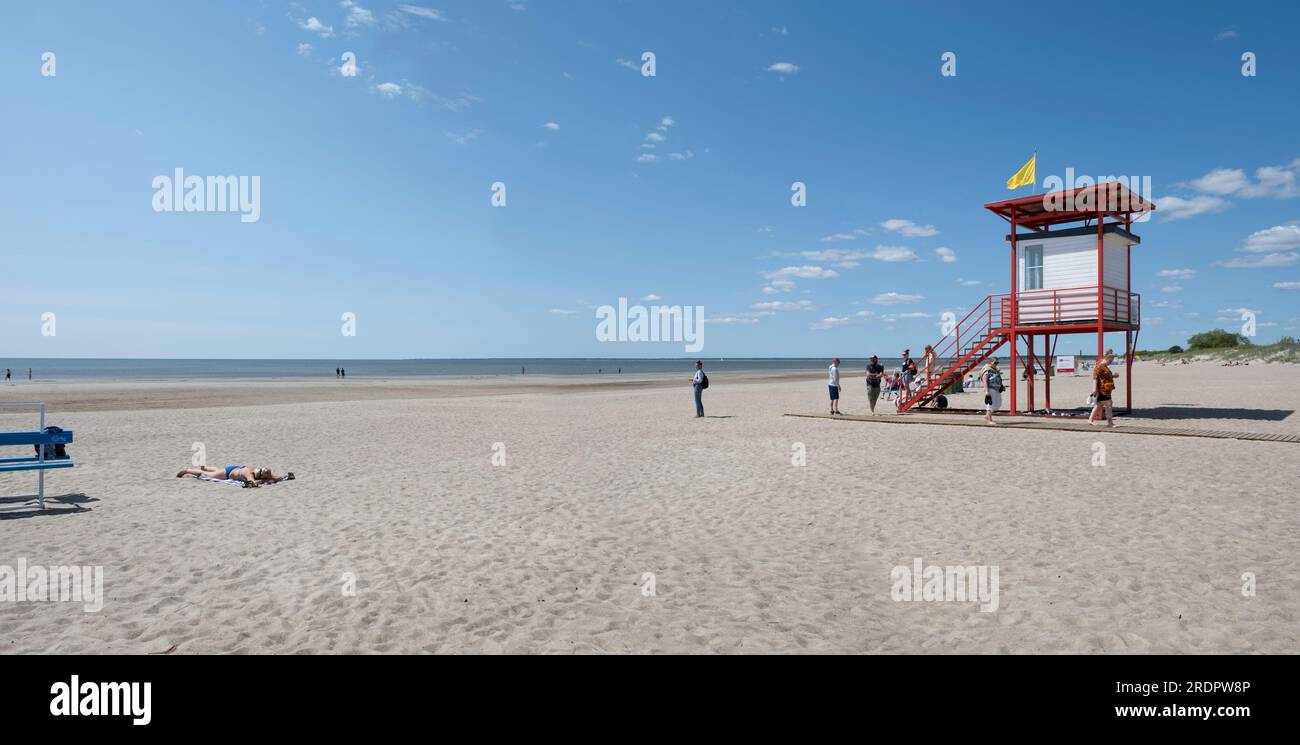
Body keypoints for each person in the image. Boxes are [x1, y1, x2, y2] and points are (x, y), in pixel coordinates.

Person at [176, 464, 295, 488]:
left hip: (234, 469)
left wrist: (285, 477)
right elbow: (251, 481)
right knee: (210, 475)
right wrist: (255, 483)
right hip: (229, 473)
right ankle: (187, 470)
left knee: (217, 470)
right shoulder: (249, 472)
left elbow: (274, 478)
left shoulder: (257, 471)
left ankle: (207, 466)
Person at [1089, 349, 1117, 427]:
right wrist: (1094, 389)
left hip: (1106, 389)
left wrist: (1113, 376)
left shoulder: (1104, 366)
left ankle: (1090, 420)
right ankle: (1110, 422)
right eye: (1111, 360)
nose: (1111, 362)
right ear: (1107, 358)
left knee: (1099, 405)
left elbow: (1105, 376)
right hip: (1102, 389)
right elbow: (1095, 378)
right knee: (1109, 404)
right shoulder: (1100, 366)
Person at [982, 359, 1004, 425]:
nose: (996, 364)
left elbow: (998, 380)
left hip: (997, 389)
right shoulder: (987, 371)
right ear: (990, 363)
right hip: (990, 389)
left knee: (998, 404)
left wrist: (1002, 386)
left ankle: (986, 416)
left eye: (997, 362)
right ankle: (989, 420)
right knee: (990, 404)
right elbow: (985, 382)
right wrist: (986, 392)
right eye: (995, 362)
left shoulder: (995, 371)